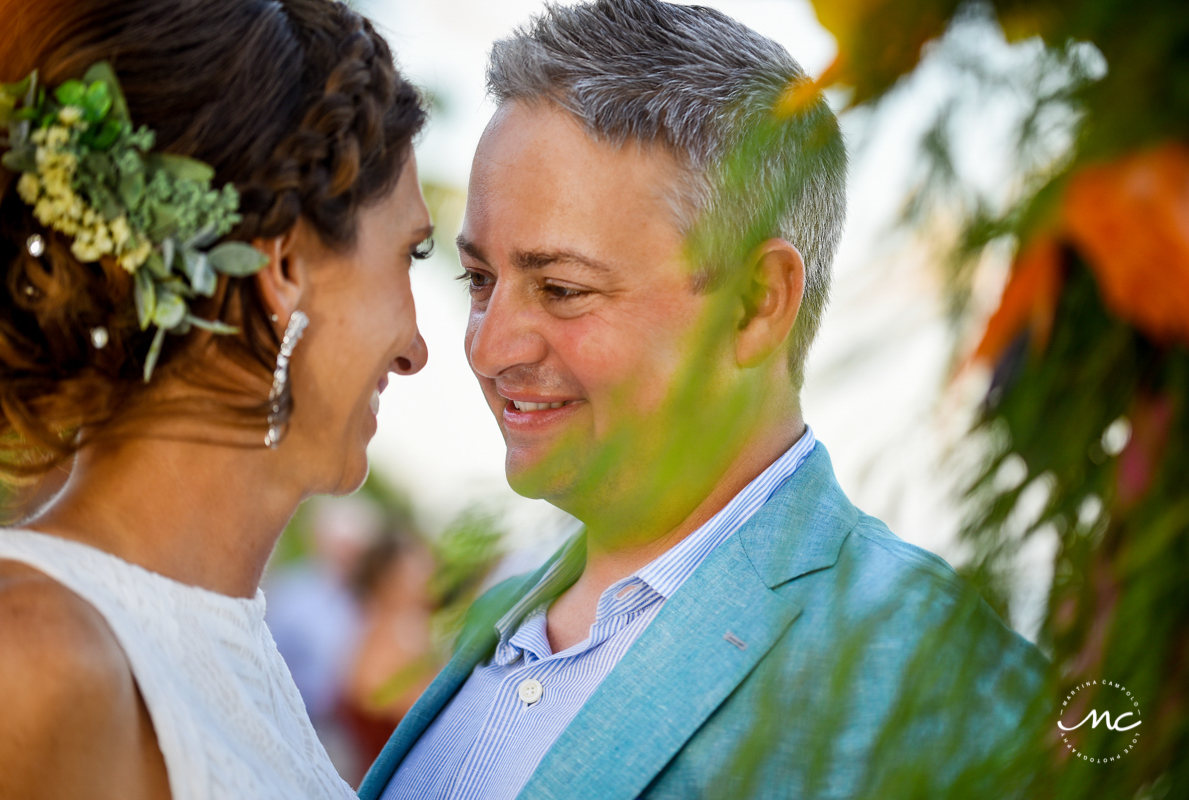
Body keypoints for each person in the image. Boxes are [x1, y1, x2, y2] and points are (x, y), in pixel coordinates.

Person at [361, 2, 1047, 799]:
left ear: (756, 303)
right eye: (479, 280)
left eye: (561, 289)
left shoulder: (941, 683)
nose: (487, 346)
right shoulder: (500, 621)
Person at [0, 0, 431, 797]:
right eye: (409, 253)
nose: (417, 349)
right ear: (285, 266)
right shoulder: (30, 658)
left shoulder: (233, 650)